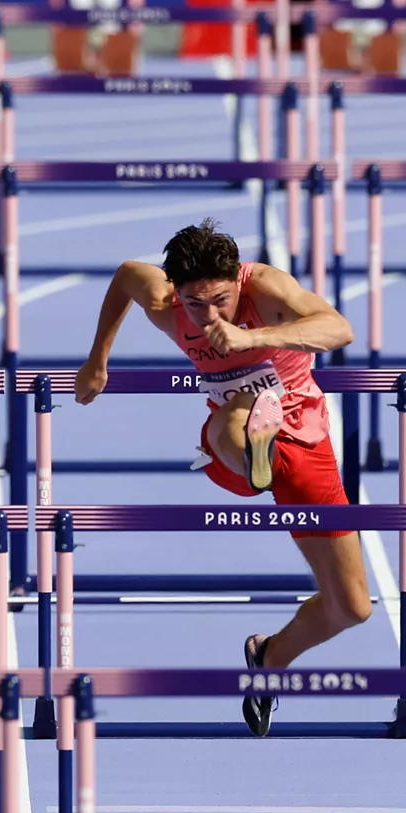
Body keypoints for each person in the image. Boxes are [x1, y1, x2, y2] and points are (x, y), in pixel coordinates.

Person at [75, 219, 370, 738]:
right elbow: (125, 276)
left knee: (352, 607)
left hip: (308, 439)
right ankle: (258, 447)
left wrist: (252, 335)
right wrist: (97, 358)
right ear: (175, 295)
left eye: (219, 299)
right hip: (231, 444)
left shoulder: (267, 288)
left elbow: (339, 329)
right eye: (195, 305)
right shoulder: (164, 302)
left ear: (237, 280)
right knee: (239, 415)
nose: (209, 315)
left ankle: (269, 658)